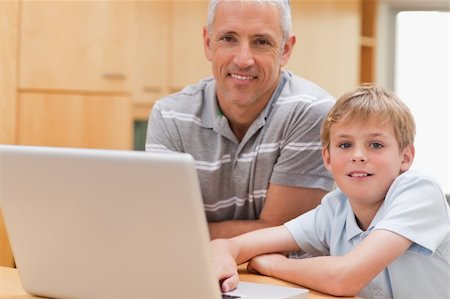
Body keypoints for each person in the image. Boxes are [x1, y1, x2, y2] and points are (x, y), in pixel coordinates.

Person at [211, 85, 450, 299]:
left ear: (405, 157)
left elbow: (345, 277)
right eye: (345, 145)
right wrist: (224, 260)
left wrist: (272, 265)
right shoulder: (335, 208)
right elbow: (229, 245)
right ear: (327, 157)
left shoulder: (418, 192)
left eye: (376, 145)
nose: (358, 155)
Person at [145, 0, 335, 239]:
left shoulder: (311, 112)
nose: (243, 60)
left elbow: (284, 236)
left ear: (285, 49)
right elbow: (165, 228)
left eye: (261, 42)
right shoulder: (170, 115)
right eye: (228, 38)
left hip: (278, 275)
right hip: (196, 270)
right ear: (208, 43)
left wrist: (188, 235)